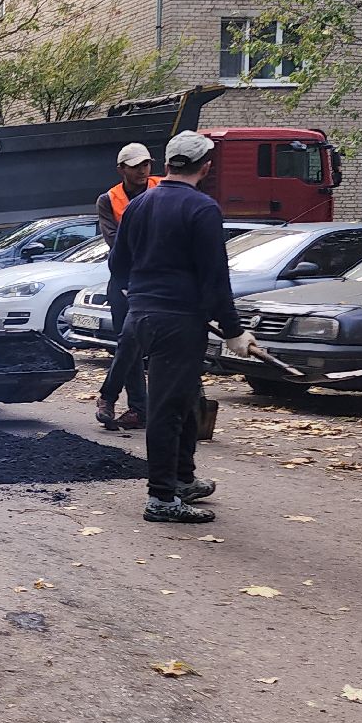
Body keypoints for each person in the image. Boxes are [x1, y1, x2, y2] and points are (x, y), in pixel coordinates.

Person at [109, 131, 258, 524]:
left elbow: (117, 265)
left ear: (168, 162)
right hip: (177, 323)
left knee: (187, 401)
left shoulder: (139, 205)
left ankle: (181, 479)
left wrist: (143, 294)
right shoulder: (202, 209)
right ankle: (160, 496)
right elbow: (215, 279)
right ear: (206, 167)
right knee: (167, 409)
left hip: (143, 316)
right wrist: (234, 331)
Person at [94, 142, 160, 431]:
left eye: (146, 164)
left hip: (158, 278)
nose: (143, 170)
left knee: (138, 344)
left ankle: (123, 403)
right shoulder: (109, 200)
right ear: (121, 169)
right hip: (125, 277)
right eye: (135, 166)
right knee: (129, 341)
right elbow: (116, 242)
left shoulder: (163, 189)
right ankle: (138, 409)